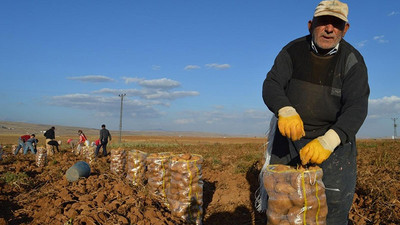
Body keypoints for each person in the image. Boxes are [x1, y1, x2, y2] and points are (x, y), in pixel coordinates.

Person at [260, 1, 369, 224]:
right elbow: (271, 84)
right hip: (290, 141)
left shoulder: (353, 61)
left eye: (336, 24)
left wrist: (329, 141)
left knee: (333, 208)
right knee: (283, 205)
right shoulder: (292, 51)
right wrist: (285, 109)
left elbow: (357, 107)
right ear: (311, 25)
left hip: (333, 146)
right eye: (323, 22)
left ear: (345, 29)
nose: (329, 29)